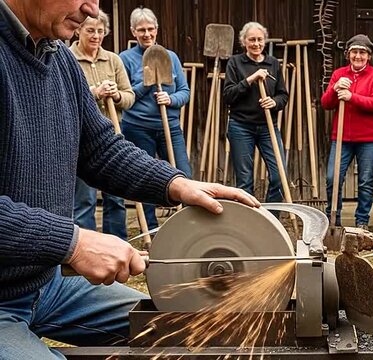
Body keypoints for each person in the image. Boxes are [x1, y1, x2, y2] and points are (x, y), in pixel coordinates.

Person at [0, 0, 260, 358]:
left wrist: (176, 184)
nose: (92, 9)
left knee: (192, 332)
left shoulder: (58, 57)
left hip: (48, 286)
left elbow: (101, 150)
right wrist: (73, 243)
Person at [120, 7, 192, 230]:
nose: (146, 34)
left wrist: (170, 99)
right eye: (141, 30)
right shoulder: (125, 59)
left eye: (150, 29)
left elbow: (185, 92)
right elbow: (126, 95)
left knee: (184, 174)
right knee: (146, 177)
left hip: (169, 126)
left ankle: (189, 225)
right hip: (138, 127)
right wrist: (146, 83)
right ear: (133, 31)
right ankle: (149, 229)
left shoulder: (170, 57)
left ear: (157, 30)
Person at [70, 9, 135, 240]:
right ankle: (87, 250)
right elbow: (65, 97)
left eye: (100, 31)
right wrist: (94, 93)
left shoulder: (113, 60)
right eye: (90, 30)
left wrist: (117, 95)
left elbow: (129, 96)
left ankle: (118, 245)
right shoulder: (69, 59)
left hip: (112, 138)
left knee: (116, 196)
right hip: (81, 138)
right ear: (78, 30)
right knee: (85, 199)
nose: (96, 36)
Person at [321, 34, 373, 230]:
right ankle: (334, 220)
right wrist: (334, 89)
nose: (358, 56)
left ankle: (362, 221)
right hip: (342, 137)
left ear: (369, 55)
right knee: (333, 178)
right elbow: (326, 103)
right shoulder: (339, 74)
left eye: (362, 52)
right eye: (354, 52)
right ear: (348, 54)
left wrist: (351, 96)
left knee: (365, 180)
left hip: (369, 139)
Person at [223, 22, 288, 203]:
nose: (256, 44)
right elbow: (228, 95)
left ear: (265, 41)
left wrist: (273, 102)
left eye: (260, 40)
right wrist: (251, 79)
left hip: (268, 127)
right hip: (241, 127)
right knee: (245, 182)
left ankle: (270, 220)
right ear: (244, 41)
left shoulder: (273, 63)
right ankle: (249, 225)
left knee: (279, 176)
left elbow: (283, 95)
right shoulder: (235, 63)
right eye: (252, 40)